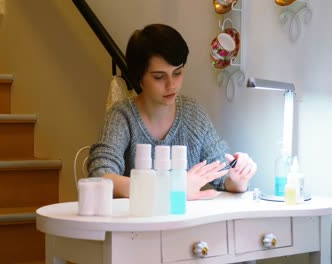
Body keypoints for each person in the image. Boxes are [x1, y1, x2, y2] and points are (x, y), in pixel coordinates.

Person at [87, 24, 257, 200]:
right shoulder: (122, 116)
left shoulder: (193, 114)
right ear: (139, 78)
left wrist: (238, 178)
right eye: (159, 77)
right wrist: (173, 188)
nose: (171, 85)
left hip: (184, 224)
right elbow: (100, 176)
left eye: (177, 73)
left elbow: (223, 176)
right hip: (138, 223)